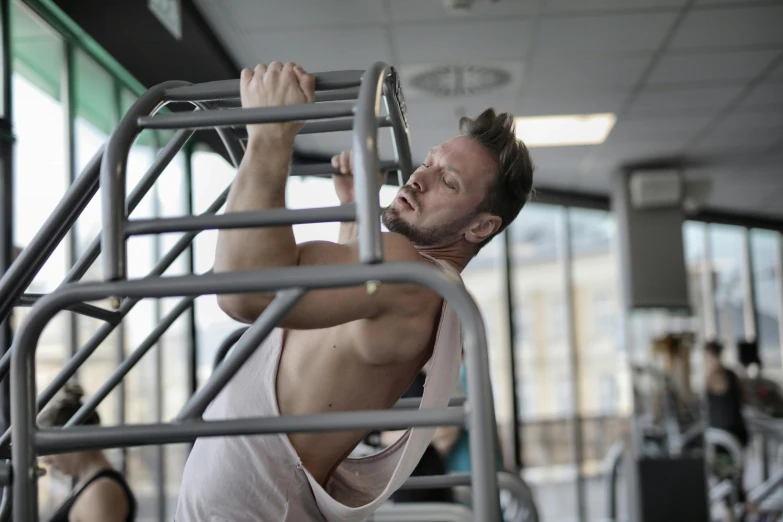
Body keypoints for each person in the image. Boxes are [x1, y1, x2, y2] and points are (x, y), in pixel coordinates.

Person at [175, 61, 534, 522]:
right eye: (429, 161)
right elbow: (346, 322)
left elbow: (245, 293)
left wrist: (270, 134)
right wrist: (353, 210)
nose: (418, 178)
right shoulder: (418, 283)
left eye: (448, 182)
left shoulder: (412, 275)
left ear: (482, 226)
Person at [38, 383, 136, 522]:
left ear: (75, 440)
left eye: (49, 448)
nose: (46, 460)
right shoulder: (89, 486)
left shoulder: (100, 492)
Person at [705, 340, 751, 520]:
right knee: (731, 478)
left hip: (727, 437)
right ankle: (738, 509)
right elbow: (746, 398)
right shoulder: (732, 375)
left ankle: (737, 511)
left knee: (729, 479)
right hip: (732, 434)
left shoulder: (715, 376)